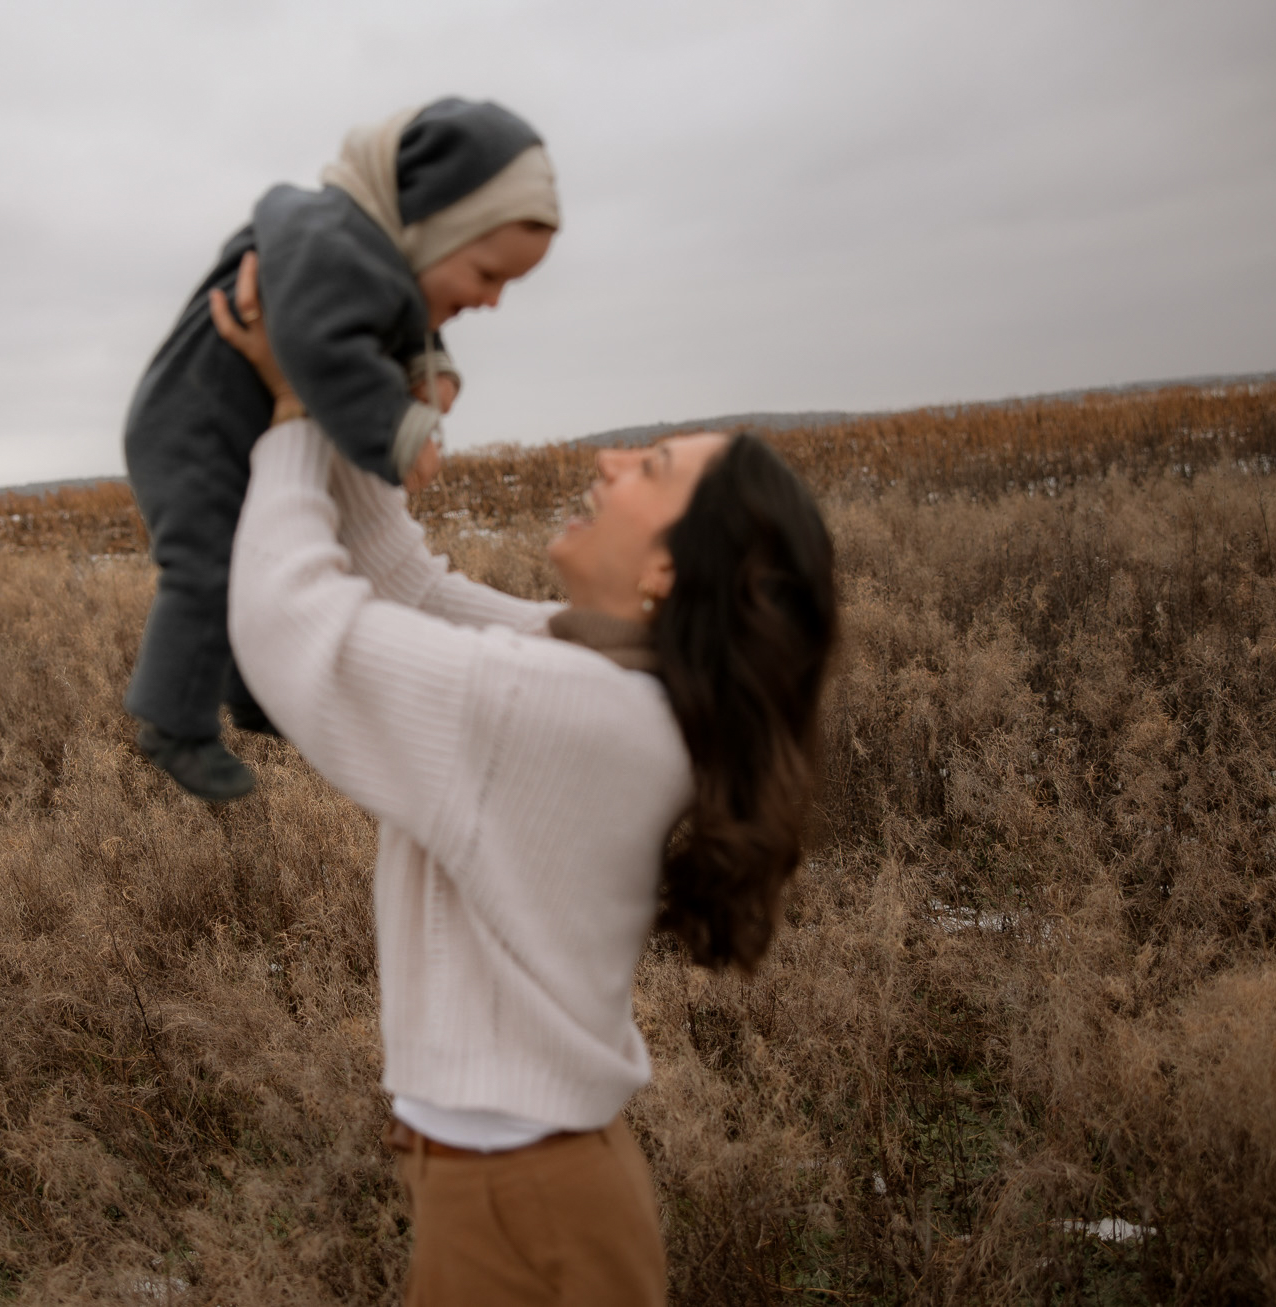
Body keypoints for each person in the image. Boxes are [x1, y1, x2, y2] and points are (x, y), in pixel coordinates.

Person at [211, 255, 839, 1305]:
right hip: (520, 1186)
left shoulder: (570, 711)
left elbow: (292, 630)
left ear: (665, 575)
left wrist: (292, 413)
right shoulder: (617, 681)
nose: (607, 459)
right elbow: (408, 584)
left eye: (652, 468)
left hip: (519, 1201)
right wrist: (370, 421)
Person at [122, 97, 560, 802]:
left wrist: (428, 369)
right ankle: (173, 721)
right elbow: (322, 345)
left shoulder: (369, 257)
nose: (494, 300)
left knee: (246, 565)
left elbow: (386, 315)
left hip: (231, 427)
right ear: (430, 230)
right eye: (487, 275)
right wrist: (397, 428)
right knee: (206, 567)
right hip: (192, 431)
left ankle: (259, 690)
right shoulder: (329, 241)